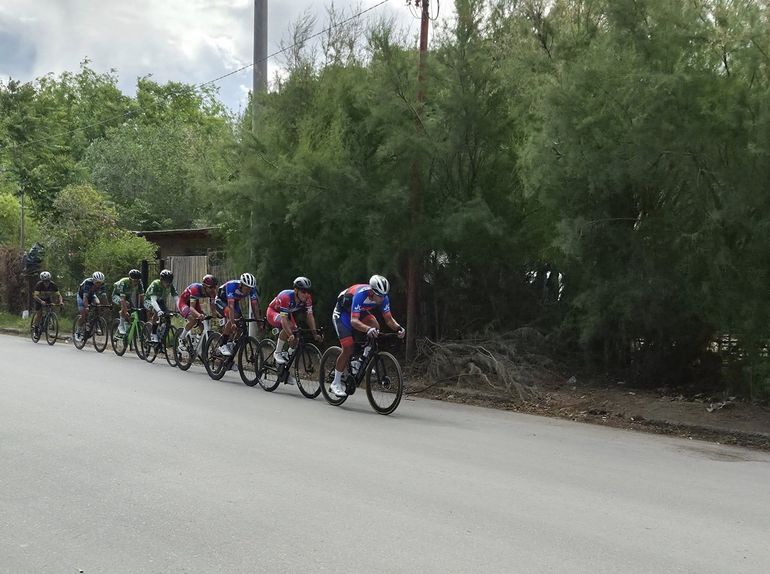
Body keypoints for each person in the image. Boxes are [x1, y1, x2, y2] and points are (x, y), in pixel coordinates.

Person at [329, 274, 405, 397]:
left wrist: (398, 328)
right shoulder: (361, 295)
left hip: (358, 311)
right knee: (348, 348)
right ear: (372, 291)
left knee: (376, 325)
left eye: (384, 295)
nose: (382, 299)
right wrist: (367, 329)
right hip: (342, 312)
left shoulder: (383, 297)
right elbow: (354, 321)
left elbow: (389, 319)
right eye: (379, 296)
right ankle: (336, 383)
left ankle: (361, 360)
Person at [266, 276, 323, 384]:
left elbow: (309, 316)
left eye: (308, 292)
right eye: (303, 291)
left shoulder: (307, 299)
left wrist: (314, 333)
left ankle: (285, 363)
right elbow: (283, 320)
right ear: (296, 290)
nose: (306, 294)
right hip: (273, 312)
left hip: (287, 314)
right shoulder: (286, 297)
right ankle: (277, 352)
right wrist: (289, 334)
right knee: (290, 327)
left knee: (297, 333)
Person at [214, 272, 262, 356]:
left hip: (234, 302)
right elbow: (231, 307)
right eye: (246, 288)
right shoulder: (232, 286)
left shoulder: (251, 289)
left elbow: (255, 306)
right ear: (241, 285)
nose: (248, 291)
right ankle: (223, 344)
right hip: (221, 301)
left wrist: (259, 323)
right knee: (234, 317)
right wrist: (232, 322)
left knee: (241, 324)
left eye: (250, 289)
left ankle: (231, 344)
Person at [177, 274, 218, 351]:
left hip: (195, 302)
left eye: (214, 287)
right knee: (194, 320)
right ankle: (181, 339)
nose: (213, 289)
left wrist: (215, 316)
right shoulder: (195, 289)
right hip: (184, 303)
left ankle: (197, 340)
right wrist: (199, 315)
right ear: (204, 286)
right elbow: (192, 308)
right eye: (211, 287)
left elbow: (212, 306)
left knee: (202, 326)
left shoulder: (212, 293)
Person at [143, 269, 180, 343]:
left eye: (170, 281)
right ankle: (153, 334)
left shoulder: (170, 286)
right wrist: (159, 311)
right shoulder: (155, 284)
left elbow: (176, 298)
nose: (168, 283)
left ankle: (161, 339)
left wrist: (181, 309)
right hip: (149, 300)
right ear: (161, 280)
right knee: (157, 312)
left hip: (160, 301)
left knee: (167, 317)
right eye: (166, 281)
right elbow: (153, 301)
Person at [111, 269, 145, 335]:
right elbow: (122, 299)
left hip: (127, 296)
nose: (136, 283)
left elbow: (142, 296)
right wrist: (125, 311)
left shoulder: (140, 283)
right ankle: (121, 326)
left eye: (137, 281)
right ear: (130, 279)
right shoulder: (124, 282)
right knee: (125, 305)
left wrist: (144, 307)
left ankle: (126, 326)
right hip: (117, 295)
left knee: (133, 310)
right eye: (134, 281)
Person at [75, 271, 106, 341]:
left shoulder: (102, 284)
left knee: (98, 304)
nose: (99, 284)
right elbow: (85, 297)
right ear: (93, 280)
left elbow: (104, 296)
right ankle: (78, 331)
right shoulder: (88, 282)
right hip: (81, 296)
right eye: (97, 282)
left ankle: (96, 322)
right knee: (83, 314)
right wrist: (86, 307)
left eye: (100, 282)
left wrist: (106, 305)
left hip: (91, 295)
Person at [31, 271, 64, 335]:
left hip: (47, 299)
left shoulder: (53, 285)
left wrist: (61, 302)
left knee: (51, 307)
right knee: (39, 314)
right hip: (38, 299)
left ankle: (47, 320)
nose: (46, 283)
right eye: (45, 281)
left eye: (48, 281)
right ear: (42, 281)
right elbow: (35, 296)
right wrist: (41, 301)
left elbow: (59, 295)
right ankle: (35, 328)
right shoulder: (39, 285)